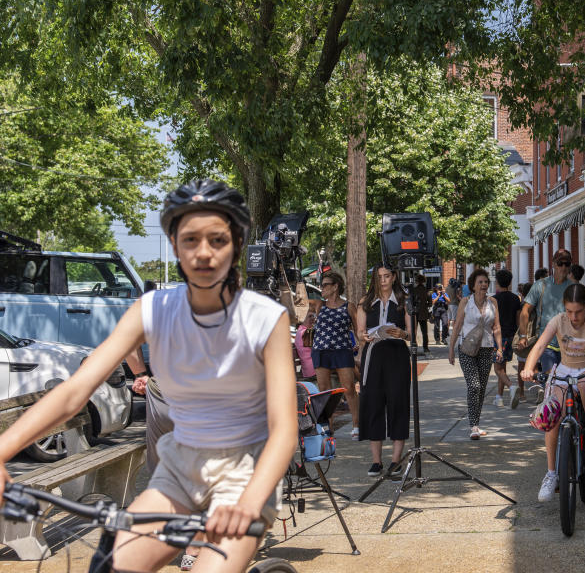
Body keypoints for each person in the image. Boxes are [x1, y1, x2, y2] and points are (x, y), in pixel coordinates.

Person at [0, 180, 296, 572]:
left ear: (237, 244)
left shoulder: (265, 319)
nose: (203, 252)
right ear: (175, 245)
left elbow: (284, 430)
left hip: (245, 473)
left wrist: (250, 500)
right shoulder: (151, 310)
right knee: (113, 565)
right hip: (179, 468)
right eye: (190, 239)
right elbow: (75, 392)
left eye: (217, 240)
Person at [521, 284, 585, 501]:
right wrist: (529, 367)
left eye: (578, 311)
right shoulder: (558, 320)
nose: (574, 317)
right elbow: (538, 347)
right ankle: (551, 474)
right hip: (564, 370)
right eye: (569, 311)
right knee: (553, 416)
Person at [357, 263, 412, 477]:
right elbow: (360, 332)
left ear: (394, 277)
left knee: (398, 404)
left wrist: (401, 334)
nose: (383, 280)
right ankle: (376, 461)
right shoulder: (366, 302)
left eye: (387, 276)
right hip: (374, 356)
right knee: (373, 405)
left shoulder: (403, 301)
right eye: (379, 277)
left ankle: (395, 460)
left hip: (396, 355)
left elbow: (410, 333)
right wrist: (364, 336)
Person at [448, 269, 503, 439]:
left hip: (486, 348)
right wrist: (451, 349)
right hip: (467, 349)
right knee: (474, 386)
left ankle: (476, 424)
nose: (484, 285)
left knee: (481, 388)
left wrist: (499, 347)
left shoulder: (493, 302)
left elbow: (497, 327)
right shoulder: (465, 302)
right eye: (480, 282)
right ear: (473, 285)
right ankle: (473, 426)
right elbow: (457, 326)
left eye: (486, 282)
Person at [312, 271, 360, 439]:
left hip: (342, 350)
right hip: (321, 350)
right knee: (324, 391)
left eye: (325, 285)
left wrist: (360, 350)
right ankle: (327, 427)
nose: (322, 288)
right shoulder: (319, 305)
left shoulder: (349, 306)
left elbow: (358, 329)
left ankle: (356, 425)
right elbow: (298, 304)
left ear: (335, 287)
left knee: (348, 388)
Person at [516, 249, 576, 381]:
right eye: (561, 263)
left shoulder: (573, 287)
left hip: (569, 344)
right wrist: (523, 335)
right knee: (551, 381)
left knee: (568, 383)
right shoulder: (541, 285)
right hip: (546, 343)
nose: (564, 267)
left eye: (567, 264)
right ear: (553, 264)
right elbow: (525, 311)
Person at [492, 269, 522, 409]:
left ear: (497, 282)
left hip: (498, 337)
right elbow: (518, 319)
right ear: (510, 282)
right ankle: (499, 397)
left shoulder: (494, 299)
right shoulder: (516, 298)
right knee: (502, 367)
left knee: (497, 369)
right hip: (511, 336)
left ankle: (511, 386)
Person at [411, 275, 431, 354]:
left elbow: (411, 302)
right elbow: (430, 303)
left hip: (415, 313)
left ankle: (414, 346)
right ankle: (425, 347)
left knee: (414, 331)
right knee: (424, 332)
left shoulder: (413, 290)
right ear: (423, 281)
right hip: (423, 313)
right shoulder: (427, 291)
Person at [295, 311, 318, 381]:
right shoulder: (306, 332)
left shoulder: (300, 330)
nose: (313, 318)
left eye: (313, 316)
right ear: (302, 319)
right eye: (309, 316)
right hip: (314, 369)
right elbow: (316, 349)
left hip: (307, 369)